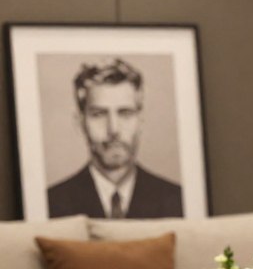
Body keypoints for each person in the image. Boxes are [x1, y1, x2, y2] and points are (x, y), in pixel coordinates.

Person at [47, 58, 183, 219]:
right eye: (99, 114)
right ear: (80, 123)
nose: (114, 129)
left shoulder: (177, 200)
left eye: (125, 113)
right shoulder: (51, 203)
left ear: (140, 121)